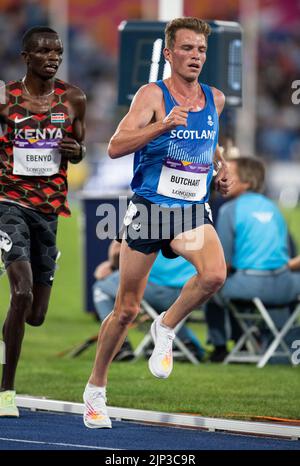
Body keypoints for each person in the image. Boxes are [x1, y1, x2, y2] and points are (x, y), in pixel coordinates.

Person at [83, 17, 231, 429]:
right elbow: (114, 147)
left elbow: (210, 145)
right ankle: (96, 388)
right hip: (150, 209)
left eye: (201, 50)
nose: (195, 56)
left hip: (189, 209)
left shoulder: (215, 99)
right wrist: (162, 124)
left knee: (215, 275)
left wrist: (220, 170)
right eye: (186, 49)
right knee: (126, 309)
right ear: (169, 54)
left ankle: (166, 326)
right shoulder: (152, 95)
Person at [0, 26, 86, 417]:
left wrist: (77, 148)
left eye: (58, 52)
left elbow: (80, 148)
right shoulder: (5, 99)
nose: (53, 57)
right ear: (26, 57)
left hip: (50, 209)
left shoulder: (73, 99)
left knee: (35, 315)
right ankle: (6, 391)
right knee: (21, 293)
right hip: (9, 203)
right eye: (44, 51)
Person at [205, 156, 300, 361]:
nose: (222, 178)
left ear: (247, 182)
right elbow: (290, 253)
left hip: (249, 286)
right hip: (286, 287)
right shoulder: (275, 209)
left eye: (229, 174)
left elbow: (224, 263)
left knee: (209, 285)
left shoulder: (230, 210)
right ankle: (274, 338)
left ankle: (220, 347)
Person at [93, 241, 205, 361]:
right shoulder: (198, 223)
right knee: (161, 311)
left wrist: (112, 266)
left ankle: (118, 346)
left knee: (101, 287)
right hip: (192, 289)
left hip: (153, 285)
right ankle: (185, 342)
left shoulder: (149, 222)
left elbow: (117, 250)